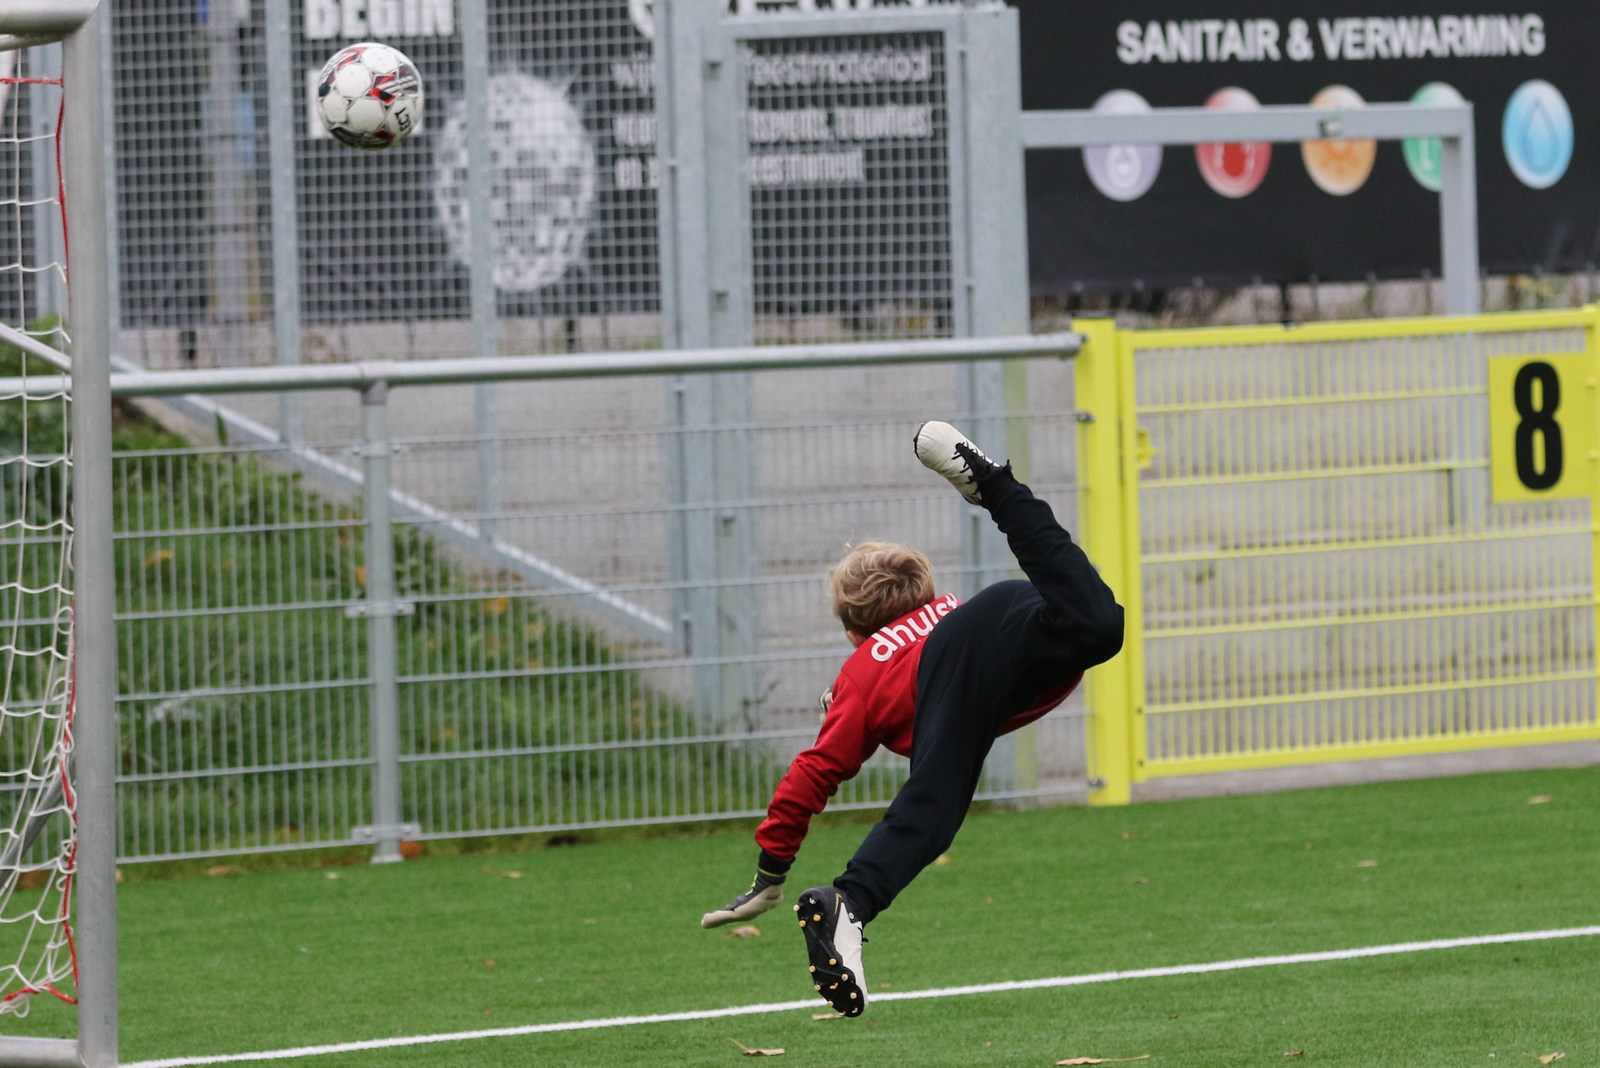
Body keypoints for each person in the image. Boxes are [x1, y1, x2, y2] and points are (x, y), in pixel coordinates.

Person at [700, 421, 1125, 1017]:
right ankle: (847, 906)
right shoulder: (940, 612)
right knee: (1099, 628)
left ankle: (992, 484)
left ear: (853, 630)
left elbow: (813, 774)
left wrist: (770, 871)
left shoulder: (860, 672)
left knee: (935, 798)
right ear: (924, 593)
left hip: (970, 655)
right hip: (1008, 612)